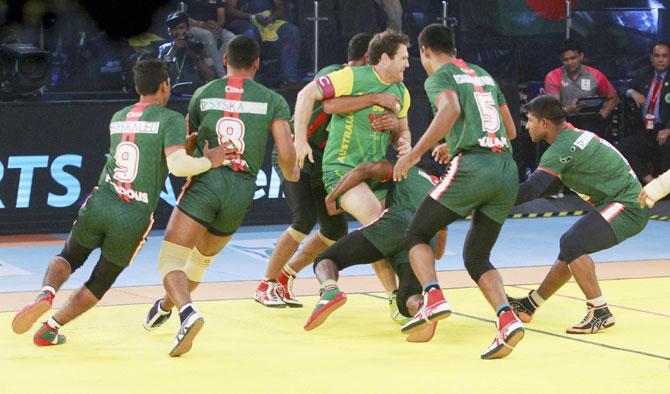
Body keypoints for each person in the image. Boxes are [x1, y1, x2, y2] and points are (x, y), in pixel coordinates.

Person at [10, 59, 232, 347]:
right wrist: (208, 160)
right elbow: (177, 166)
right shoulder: (171, 119)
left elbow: (144, 152)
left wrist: (180, 147)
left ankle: (46, 293)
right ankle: (51, 327)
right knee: (100, 280)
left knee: (69, 255)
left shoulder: (119, 117)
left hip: (102, 200)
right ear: (165, 86)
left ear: (137, 87)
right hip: (132, 215)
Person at [143, 35, 299, 357]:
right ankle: (167, 304)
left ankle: (186, 312)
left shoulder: (203, 93)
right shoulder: (273, 100)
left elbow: (187, 143)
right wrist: (291, 174)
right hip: (241, 192)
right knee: (199, 264)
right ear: (257, 63)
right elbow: (286, 152)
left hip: (206, 181)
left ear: (225, 59)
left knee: (171, 260)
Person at [393, 24, 521, 360]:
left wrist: (415, 153)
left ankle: (433, 297)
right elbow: (509, 130)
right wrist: (454, 142)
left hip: (475, 167)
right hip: (506, 169)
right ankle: (507, 319)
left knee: (417, 233)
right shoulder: (484, 75)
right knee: (477, 256)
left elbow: (449, 109)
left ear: (424, 51)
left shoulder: (439, 76)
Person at [254, 33, 398, 308]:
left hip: (326, 161)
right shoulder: (337, 75)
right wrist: (300, 141)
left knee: (335, 229)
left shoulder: (370, 90)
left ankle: (286, 276)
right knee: (304, 219)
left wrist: (391, 125)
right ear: (368, 58)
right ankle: (266, 284)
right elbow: (308, 96)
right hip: (300, 153)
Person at [508, 95, 649, 335]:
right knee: (570, 251)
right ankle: (530, 305)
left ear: (544, 123)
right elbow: (547, 186)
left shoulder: (561, 148)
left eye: (529, 120)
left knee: (572, 243)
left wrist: (488, 196)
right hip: (622, 201)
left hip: (628, 205)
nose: (525, 126)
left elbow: (532, 189)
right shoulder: (571, 138)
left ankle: (600, 311)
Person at [293, 29, 413, 302]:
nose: (408, 64)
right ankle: (401, 295)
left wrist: (401, 138)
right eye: (403, 58)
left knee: (390, 231)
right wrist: (301, 141)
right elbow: (305, 94)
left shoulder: (401, 92)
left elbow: (404, 131)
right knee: (379, 224)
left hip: (376, 172)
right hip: (342, 169)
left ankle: (396, 296)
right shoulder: (354, 76)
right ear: (384, 58)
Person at [303, 159, 447, 343]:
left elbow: (364, 169)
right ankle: (421, 307)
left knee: (327, 259)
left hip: (398, 222)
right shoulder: (440, 190)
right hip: (426, 239)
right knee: (406, 296)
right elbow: (440, 252)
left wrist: (332, 196)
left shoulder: (404, 168)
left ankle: (330, 290)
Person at [544, 39, 619, 135]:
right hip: (564, 123)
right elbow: (553, 110)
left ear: (581, 56)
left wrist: (601, 116)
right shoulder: (553, 76)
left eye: (573, 58)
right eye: (566, 60)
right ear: (561, 60)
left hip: (592, 123)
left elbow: (614, 98)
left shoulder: (595, 75)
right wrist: (568, 109)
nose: (570, 62)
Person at [619, 42, 670, 184]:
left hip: (665, 129)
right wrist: (632, 92)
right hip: (647, 130)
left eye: (664, 56)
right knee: (623, 147)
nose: (660, 59)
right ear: (651, 58)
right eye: (657, 56)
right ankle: (650, 182)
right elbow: (622, 87)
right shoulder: (644, 74)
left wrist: (668, 130)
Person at [225, 0, 300, 84]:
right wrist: (251, 17)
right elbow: (229, 11)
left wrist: (272, 18)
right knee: (251, 34)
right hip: (243, 20)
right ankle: (252, 79)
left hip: (268, 21)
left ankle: (288, 78)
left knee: (292, 31)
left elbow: (280, 8)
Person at [158, 11, 216, 87]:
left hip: (194, 90)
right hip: (173, 93)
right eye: (174, 29)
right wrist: (174, 49)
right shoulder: (164, 48)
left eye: (181, 28)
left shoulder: (198, 46)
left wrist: (194, 57)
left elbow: (210, 76)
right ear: (169, 31)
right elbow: (159, 75)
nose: (178, 32)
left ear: (187, 29)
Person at [184, 0, 236, 77]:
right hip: (193, 27)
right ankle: (221, 74)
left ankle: (211, 63)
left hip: (213, 27)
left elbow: (221, 19)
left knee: (232, 38)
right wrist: (202, 24)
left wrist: (216, 26)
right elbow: (182, 17)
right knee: (208, 35)